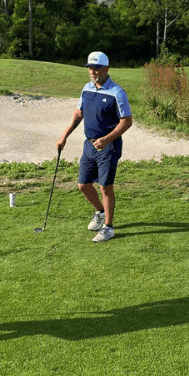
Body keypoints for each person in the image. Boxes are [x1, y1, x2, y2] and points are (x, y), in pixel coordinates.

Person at [57, 51, 133, 243]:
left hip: (109, 146)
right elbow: (78, 113)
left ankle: (108, 226)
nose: (92, 71)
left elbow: (127, 121)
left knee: (105, 186)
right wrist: (64, 137)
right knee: (83, 185)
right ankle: (99, 212)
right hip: (89, 144)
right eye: (90, 68)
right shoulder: (87, 88)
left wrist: (107, 139)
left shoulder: (117, 92)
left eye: (96, 68)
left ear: (106, 69)